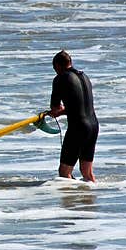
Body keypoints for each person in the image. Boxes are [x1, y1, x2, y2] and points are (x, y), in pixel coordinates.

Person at [48, 50, 99, 183]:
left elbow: (56, 109)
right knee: (87, 173)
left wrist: (54, 113)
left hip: (78, 127)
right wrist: (64, 110)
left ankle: (70, 204)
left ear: (58, 66)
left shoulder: (60, 78)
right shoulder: (84, 77)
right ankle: (90, 201)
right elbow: (80, 104)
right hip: (93, 125)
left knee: (64, 172)